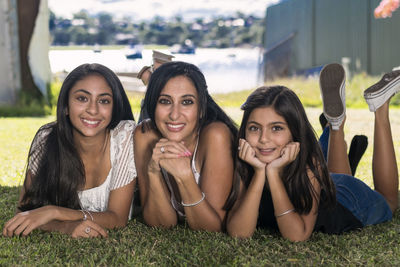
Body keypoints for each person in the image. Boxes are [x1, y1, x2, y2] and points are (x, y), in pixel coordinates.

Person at [227, 63, 399, 241]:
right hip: (327, 184)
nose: (263, 138)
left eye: (276, 128)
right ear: (244, 131)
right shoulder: (245, 162)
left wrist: (273, 174)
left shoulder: (309, 164)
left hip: (348, 201)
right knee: (334, 175)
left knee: (389, 201)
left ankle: (380, 107)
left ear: (294, 132)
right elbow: (239, 233)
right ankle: (334, 126)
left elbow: (297, 235)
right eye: (254, 128)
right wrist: (260, 173)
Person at [3, 63, 137, 238]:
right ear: (65, 106)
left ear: (114, 108)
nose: (93, 110)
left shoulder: (124, 137)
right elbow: (25, 212)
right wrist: (65, 227)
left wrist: (54, 212)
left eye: (104, 101)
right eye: (82, 98)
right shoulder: (46, 139)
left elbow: (117, 218)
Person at [134, 61, 238, 232]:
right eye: (165, 101)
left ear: (201, 108)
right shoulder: (144, 135)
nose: (174, 115)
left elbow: (211, 228)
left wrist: (185, 177)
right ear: (153, 106)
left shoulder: (216, 135)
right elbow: (161, 224)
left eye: (187, 102)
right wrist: (153, 172)